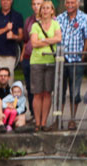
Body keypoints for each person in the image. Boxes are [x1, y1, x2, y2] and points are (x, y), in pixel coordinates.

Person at [56, 0, 87, 130]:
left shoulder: (85, 18)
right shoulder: (59, 18)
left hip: (76, 59)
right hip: (62, 59)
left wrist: (83, 54)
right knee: (60, 91)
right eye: (67, 2)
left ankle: (72, 119)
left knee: (75, 91)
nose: (70, 5)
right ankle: (58, 120)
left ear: (77, 3)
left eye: (72, 2)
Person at [29, 1, 61, 131]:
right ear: (40, 11)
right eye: (43, 8)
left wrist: (43, 40)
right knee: (37, 93)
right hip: (37, 61)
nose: (46, 11)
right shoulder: (35, 26)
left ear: (52, 10)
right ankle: (37, 122)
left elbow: (58, 38)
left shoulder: (55, 24)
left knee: (47, 92)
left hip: (50, 61)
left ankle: (43, 122)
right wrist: (49, 40)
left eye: (48, 8)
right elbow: (34, 43)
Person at [0, 0, 25, 85]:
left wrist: (14, 36)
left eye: (8, 0)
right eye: (3, 0)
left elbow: (21, 36)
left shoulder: (17, 16)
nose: (5, 2)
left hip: (9, 55)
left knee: (7, 84)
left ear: (11, 1)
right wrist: (5, 29)